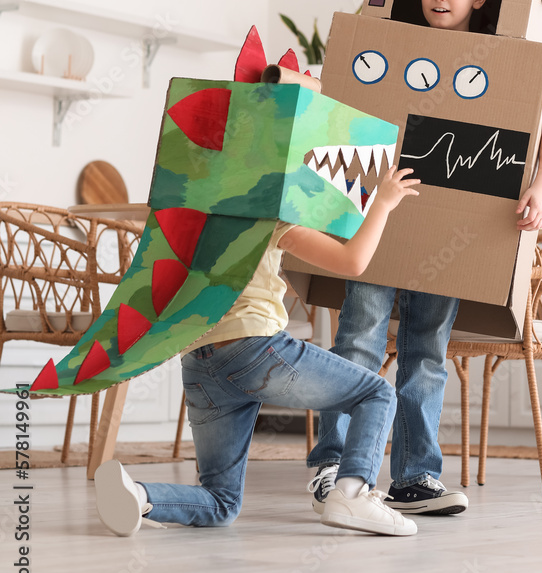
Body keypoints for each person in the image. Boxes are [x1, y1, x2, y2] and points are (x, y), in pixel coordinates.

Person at [307, 0, 542, 515]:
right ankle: (335, 465)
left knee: (426, 352)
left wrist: (539, 190)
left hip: (448, 234)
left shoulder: (507, 63)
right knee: (357, 341)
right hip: (377, 223)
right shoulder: (390, 47)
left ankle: (414, 477)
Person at [94, 165, 422, 538]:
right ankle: (350, 493)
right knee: (376, 393)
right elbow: (353, 262)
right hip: (254, 349)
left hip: (201, 362)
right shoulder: (266, 214)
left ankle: (137, 496)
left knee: (221, 502)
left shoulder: (189, 218)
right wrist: (383, 202)